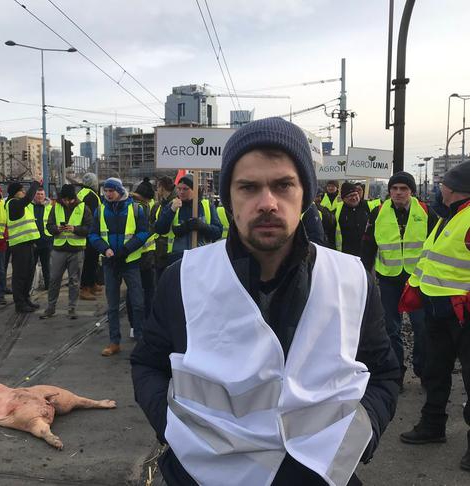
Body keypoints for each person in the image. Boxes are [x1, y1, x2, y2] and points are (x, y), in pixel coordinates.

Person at [131, 118, 400, 486]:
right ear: (229, 199)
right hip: (203, 474)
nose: (267, 203)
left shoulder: (352, 279)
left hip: (318, 476)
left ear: (305, 195)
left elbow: (383, 371)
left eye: (283, 185)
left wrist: (361, 436)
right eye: (249, 187)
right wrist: (172, 429)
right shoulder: (182, 278)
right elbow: (148, 363)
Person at [400, 161, 470, 471]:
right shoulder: (449, 217)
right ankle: (432, 425)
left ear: (455, 189)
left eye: (444, 183)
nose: (440, 187)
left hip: (462, 313)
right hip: (439, 311)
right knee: (435, 370)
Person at [361, 171, 437, 389]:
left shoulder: (425, 211)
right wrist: (365, 274)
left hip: (417, 280)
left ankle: (423, 370)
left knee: (421, 327)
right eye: (394, 189)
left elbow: (436, 245)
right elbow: (367, 245)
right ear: (389, 191)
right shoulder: (378, 212)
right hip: (389, 279)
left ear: (411, 191)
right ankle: (396, 374)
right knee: (391, 329)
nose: (398, 193)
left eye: (403, 189)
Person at [89, 177, 149, 356]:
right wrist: (105, 249)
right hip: (110, 263)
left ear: (120, 191)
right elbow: (93, 235)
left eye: (111, 191)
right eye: (105, 191)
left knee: (138, 303)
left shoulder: (136, 209)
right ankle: (114, 341)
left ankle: (140, 339)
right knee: (112, 305)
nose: (108, 194)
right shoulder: (100, 210)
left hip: (130, 262)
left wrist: (125, 250)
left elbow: (144, 232)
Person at [41, 184, 91, 320]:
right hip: (59, 249)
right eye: (64, 199)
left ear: (74, 198)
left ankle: (72, 308)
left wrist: (74, 229)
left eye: (70, 199)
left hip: (76, 249)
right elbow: (49, 226)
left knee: (74, 281)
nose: (67, 202)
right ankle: (51, 307)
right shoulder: (55, 207)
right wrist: (57, 229)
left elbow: (89, 228)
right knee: (54, 279)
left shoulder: (83, 208)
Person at [154, 174, 223, 266]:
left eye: (185, 189)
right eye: (179, 189)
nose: (181, 192)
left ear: (194, 190)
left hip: (202, 257)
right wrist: (171, 211)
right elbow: (160, 229)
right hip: (177, 258)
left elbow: (218, 232)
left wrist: (202, 226)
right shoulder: (173, 205)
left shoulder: (206, 205)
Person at [129, 179, 158, 337]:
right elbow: (147, 230)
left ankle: (134, 325)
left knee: (133, 292)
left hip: (134, 254)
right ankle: (142, 324)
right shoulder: (142, 207)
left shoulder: (131, 205)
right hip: (142, 255)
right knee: (146, 291)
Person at [6, 181, 40, 313]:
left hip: (28, 244)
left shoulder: (22, 205)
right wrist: (36, 183)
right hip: (19, 245)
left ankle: (26, 299)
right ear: (15, 193)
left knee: (29, 274)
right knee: (20, 276)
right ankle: (19, 303)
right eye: (21, 190)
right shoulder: (13, 203)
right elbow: (27, 199)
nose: (24, 192)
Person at [78, 172, 102, 300]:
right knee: (90, 260)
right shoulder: (91, 196)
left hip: (83, 231)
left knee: (91, 259)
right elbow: (94, 216)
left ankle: (92, 283)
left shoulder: (81, 193)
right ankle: (85, 287)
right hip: (90, 232)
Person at [334, 181, 372, 256]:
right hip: (346, 254)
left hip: (367, 254)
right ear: (344, 199)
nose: (354, 198)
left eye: (355, 194)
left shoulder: (368, 206)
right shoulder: (337, 210)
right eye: (350, 196)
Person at [153, 176, 177, 282]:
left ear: (162, 188)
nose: (157, 190)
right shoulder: (165, 202)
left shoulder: (174, 202)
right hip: (162, 248)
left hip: (168, 249)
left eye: (157, 187)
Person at [30, 186, 53, 292]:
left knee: (46, 266)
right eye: (37, 194)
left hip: (46, 241)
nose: (39, 196)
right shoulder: (29, 206)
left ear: (45, 196)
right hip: (33, 242)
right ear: (34, 195)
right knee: (30, 266)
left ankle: (48, 286)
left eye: (41, 194)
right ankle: (30, 286)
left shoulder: (50, 207)